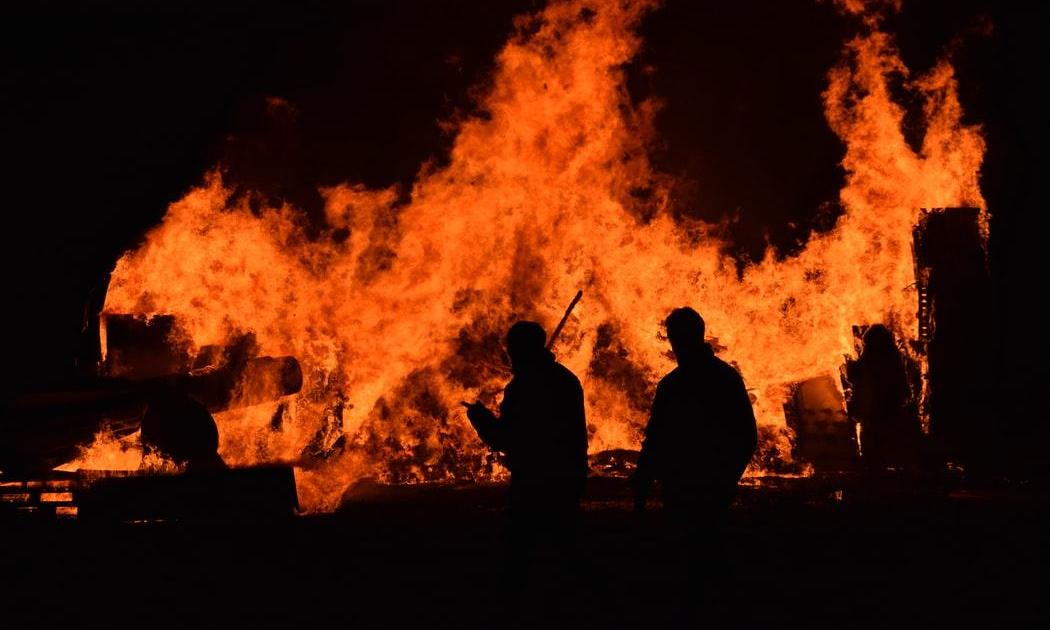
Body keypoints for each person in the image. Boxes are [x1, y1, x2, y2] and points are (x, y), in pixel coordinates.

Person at [463, 321, 588, 556]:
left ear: (518, 349)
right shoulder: (566, 379)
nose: (510, 355)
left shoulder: (523, 386)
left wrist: (480, 418)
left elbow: (508, 438)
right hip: (569, 475)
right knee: (565, 545)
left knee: (520, 548)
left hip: (534, 479)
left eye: (512, 349)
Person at [632, 307, 756, 527]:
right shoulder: (726, 378)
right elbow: (747, 437)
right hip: (708, 492)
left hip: (682, 492)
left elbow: (655, 441)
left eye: (675, 338)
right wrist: (727, 482)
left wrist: (642, 488)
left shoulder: (673, 385)